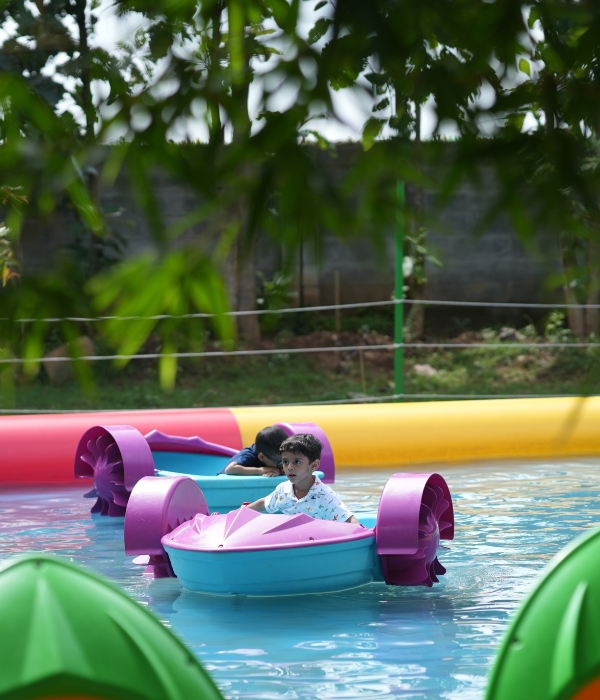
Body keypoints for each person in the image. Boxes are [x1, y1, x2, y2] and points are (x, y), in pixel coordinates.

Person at [246, 433, 360, 523]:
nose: (289, 467)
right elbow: (264, 503)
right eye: (285, 462)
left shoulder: (324, 496)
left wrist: (364, 535)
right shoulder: (283, 490)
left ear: (314, 465)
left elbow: (348, 519)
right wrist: (239, 514)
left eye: (297, 462)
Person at [222, 425, 288, 476]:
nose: (283, 465)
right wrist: (259, 470)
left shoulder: (271, 455)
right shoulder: (248, 455)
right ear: (261, 457)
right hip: (221, 485)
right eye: (279, 462)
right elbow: (230, 469)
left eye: (286, 461)